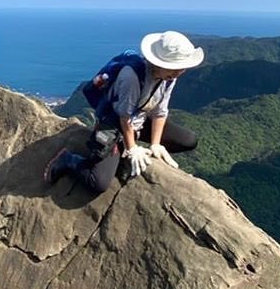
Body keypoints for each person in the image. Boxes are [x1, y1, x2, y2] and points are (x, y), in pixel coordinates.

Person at [44, 30, 204, 193]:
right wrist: (132, 148)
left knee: (188, 140)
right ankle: (69, 160)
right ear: (159, 63)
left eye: (181, 68)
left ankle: (124, 153)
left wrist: (156, 144)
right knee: (97, 182)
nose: (179, 72)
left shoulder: (168, 77)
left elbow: (160, 111)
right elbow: (124, 117)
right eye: (175, 68)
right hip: (115, 125)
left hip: (140, 121)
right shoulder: (132, 77)